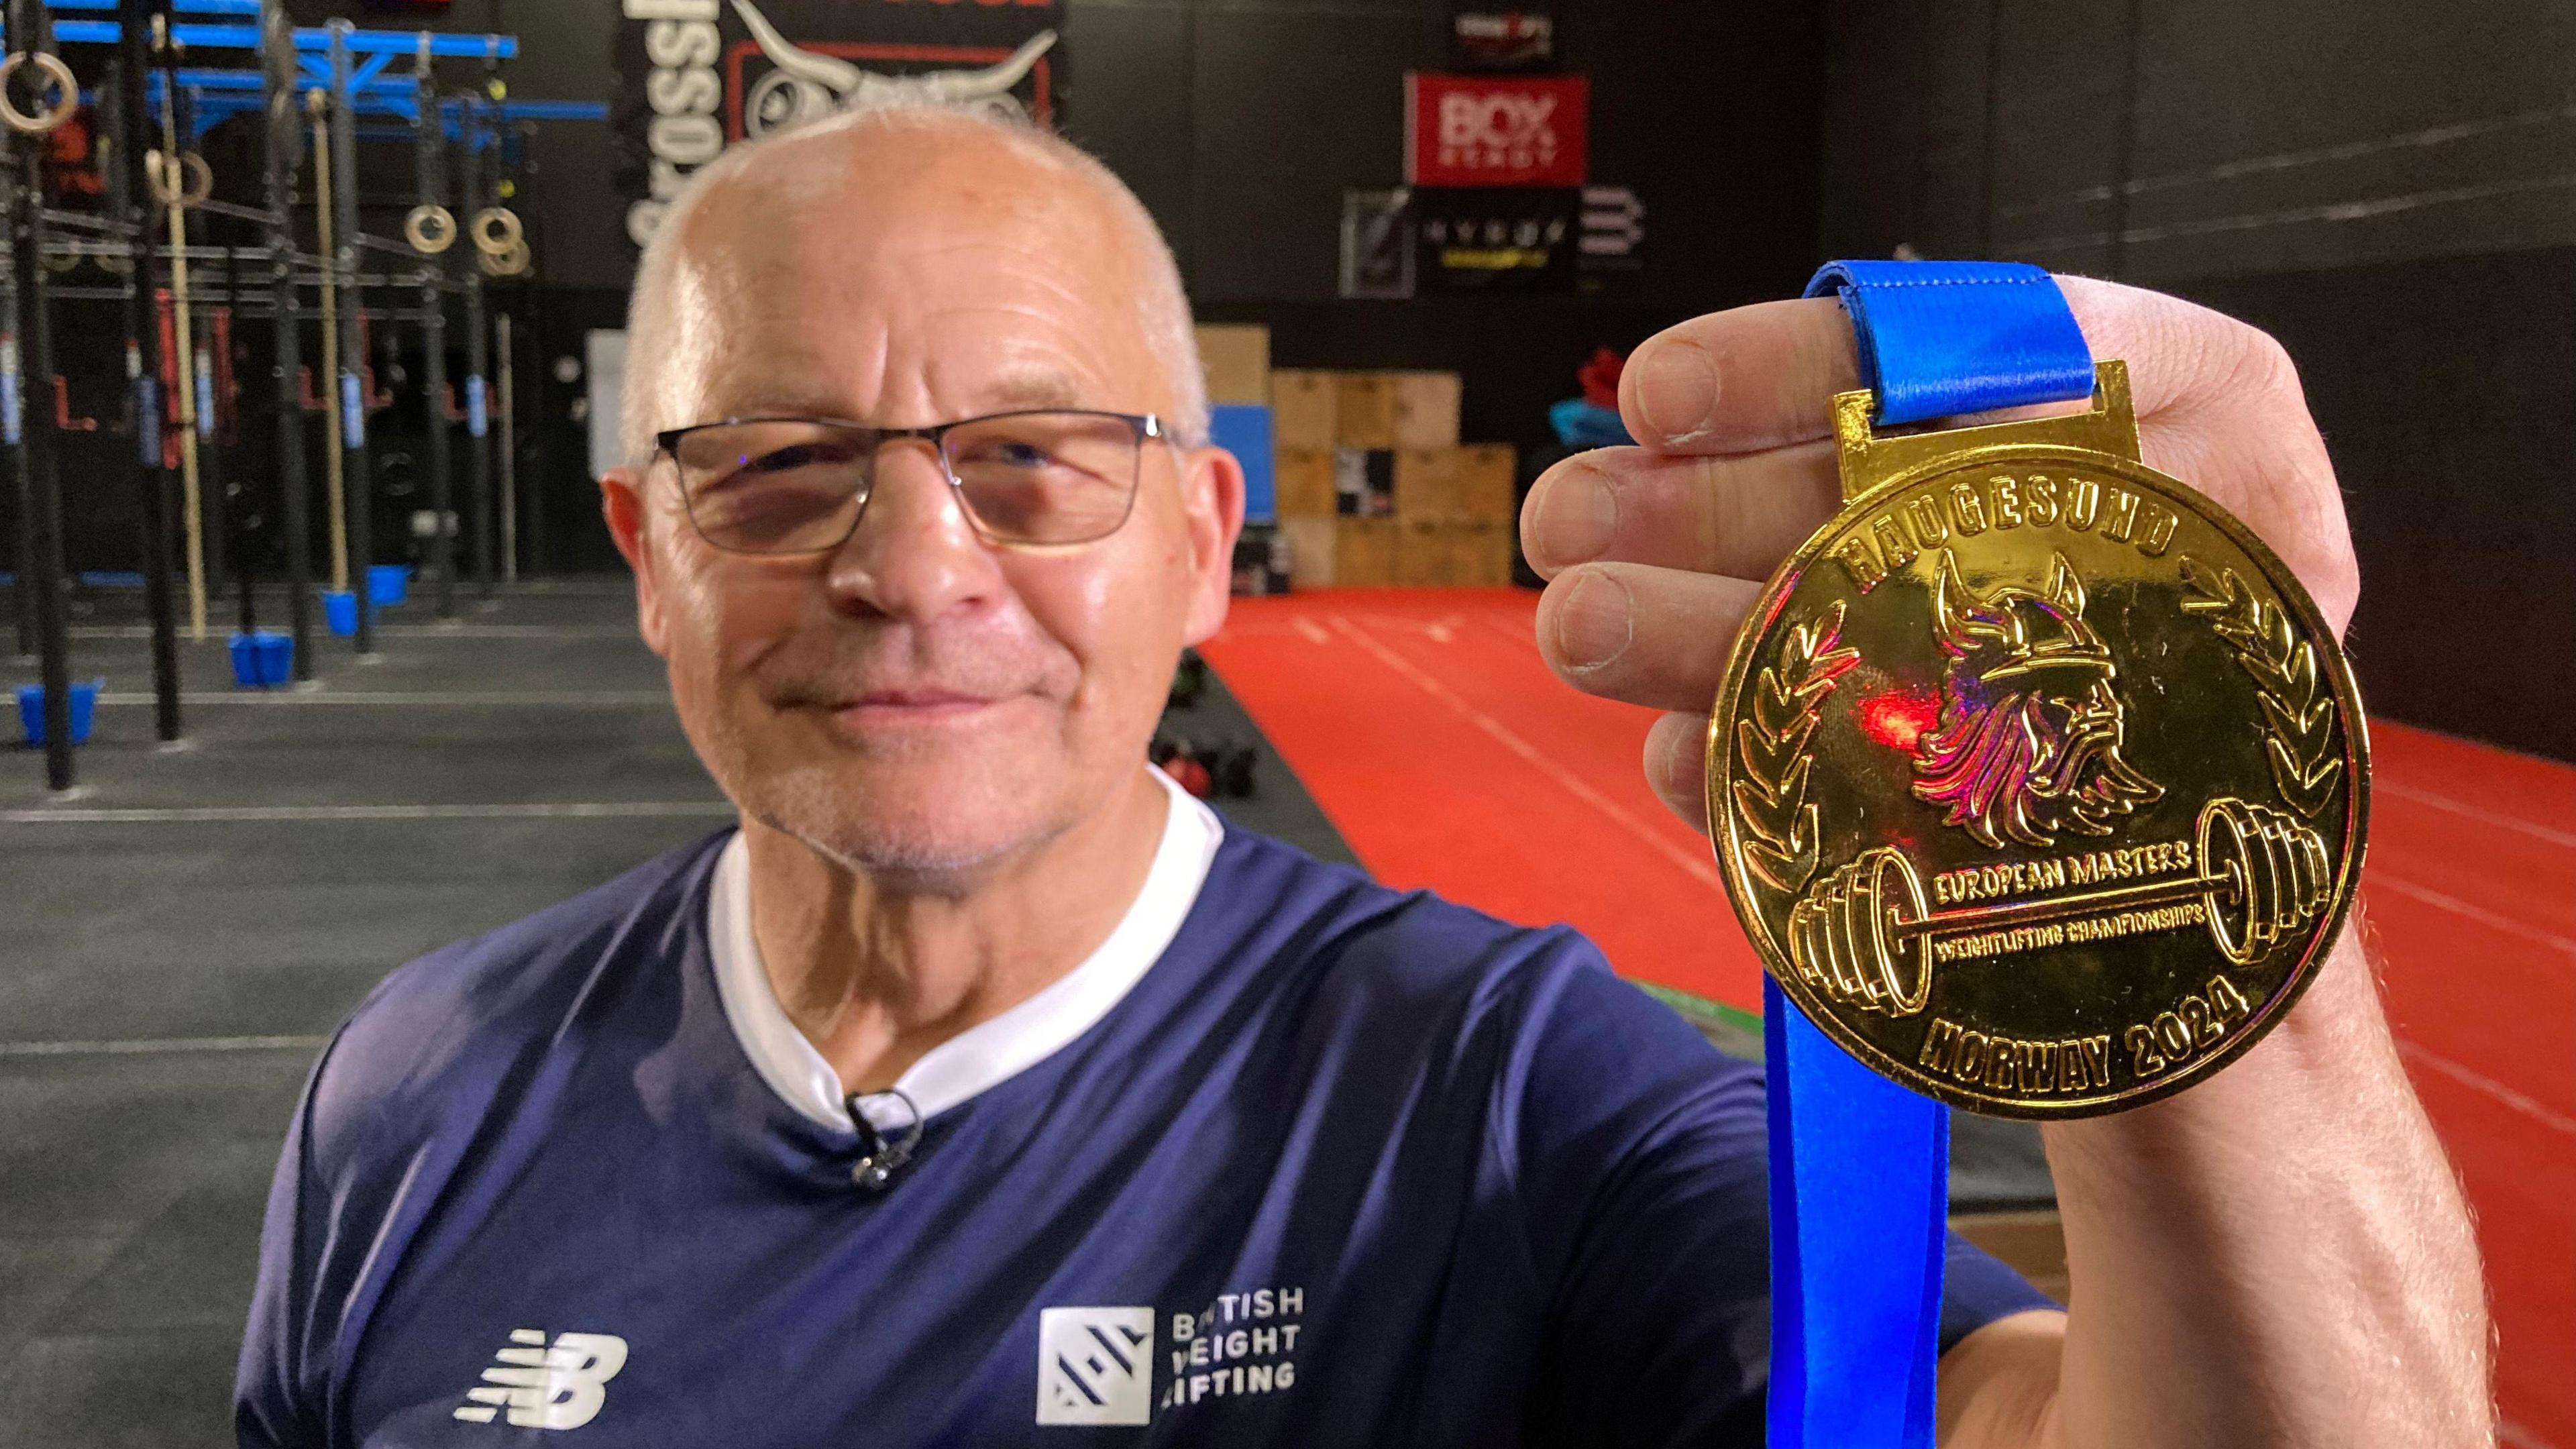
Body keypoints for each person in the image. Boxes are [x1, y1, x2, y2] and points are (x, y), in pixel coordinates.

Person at [235, 101, 2488, 1447]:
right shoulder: (412, 1103)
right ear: (647, 550)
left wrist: (2199, 926)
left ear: (1208, 544)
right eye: (779, 464)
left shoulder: (1510, 1102)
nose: (909, 565)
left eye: (1030, 463)